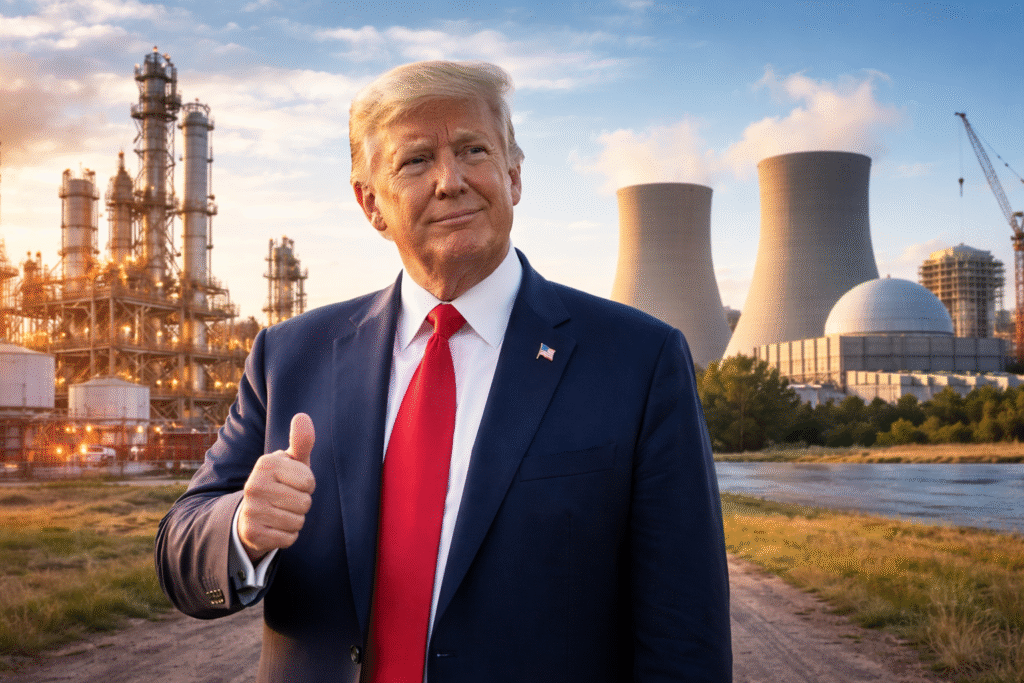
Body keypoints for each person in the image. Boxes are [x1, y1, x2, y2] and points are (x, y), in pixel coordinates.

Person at [155, 60, 732, 683]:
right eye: (415, 161)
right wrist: (242, 525)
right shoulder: (291, 356)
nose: (451, 180)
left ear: (513, 175)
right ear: (370, 204)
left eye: (473, 150)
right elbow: (180, 551)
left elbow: (684, 630)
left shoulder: (636, 362)